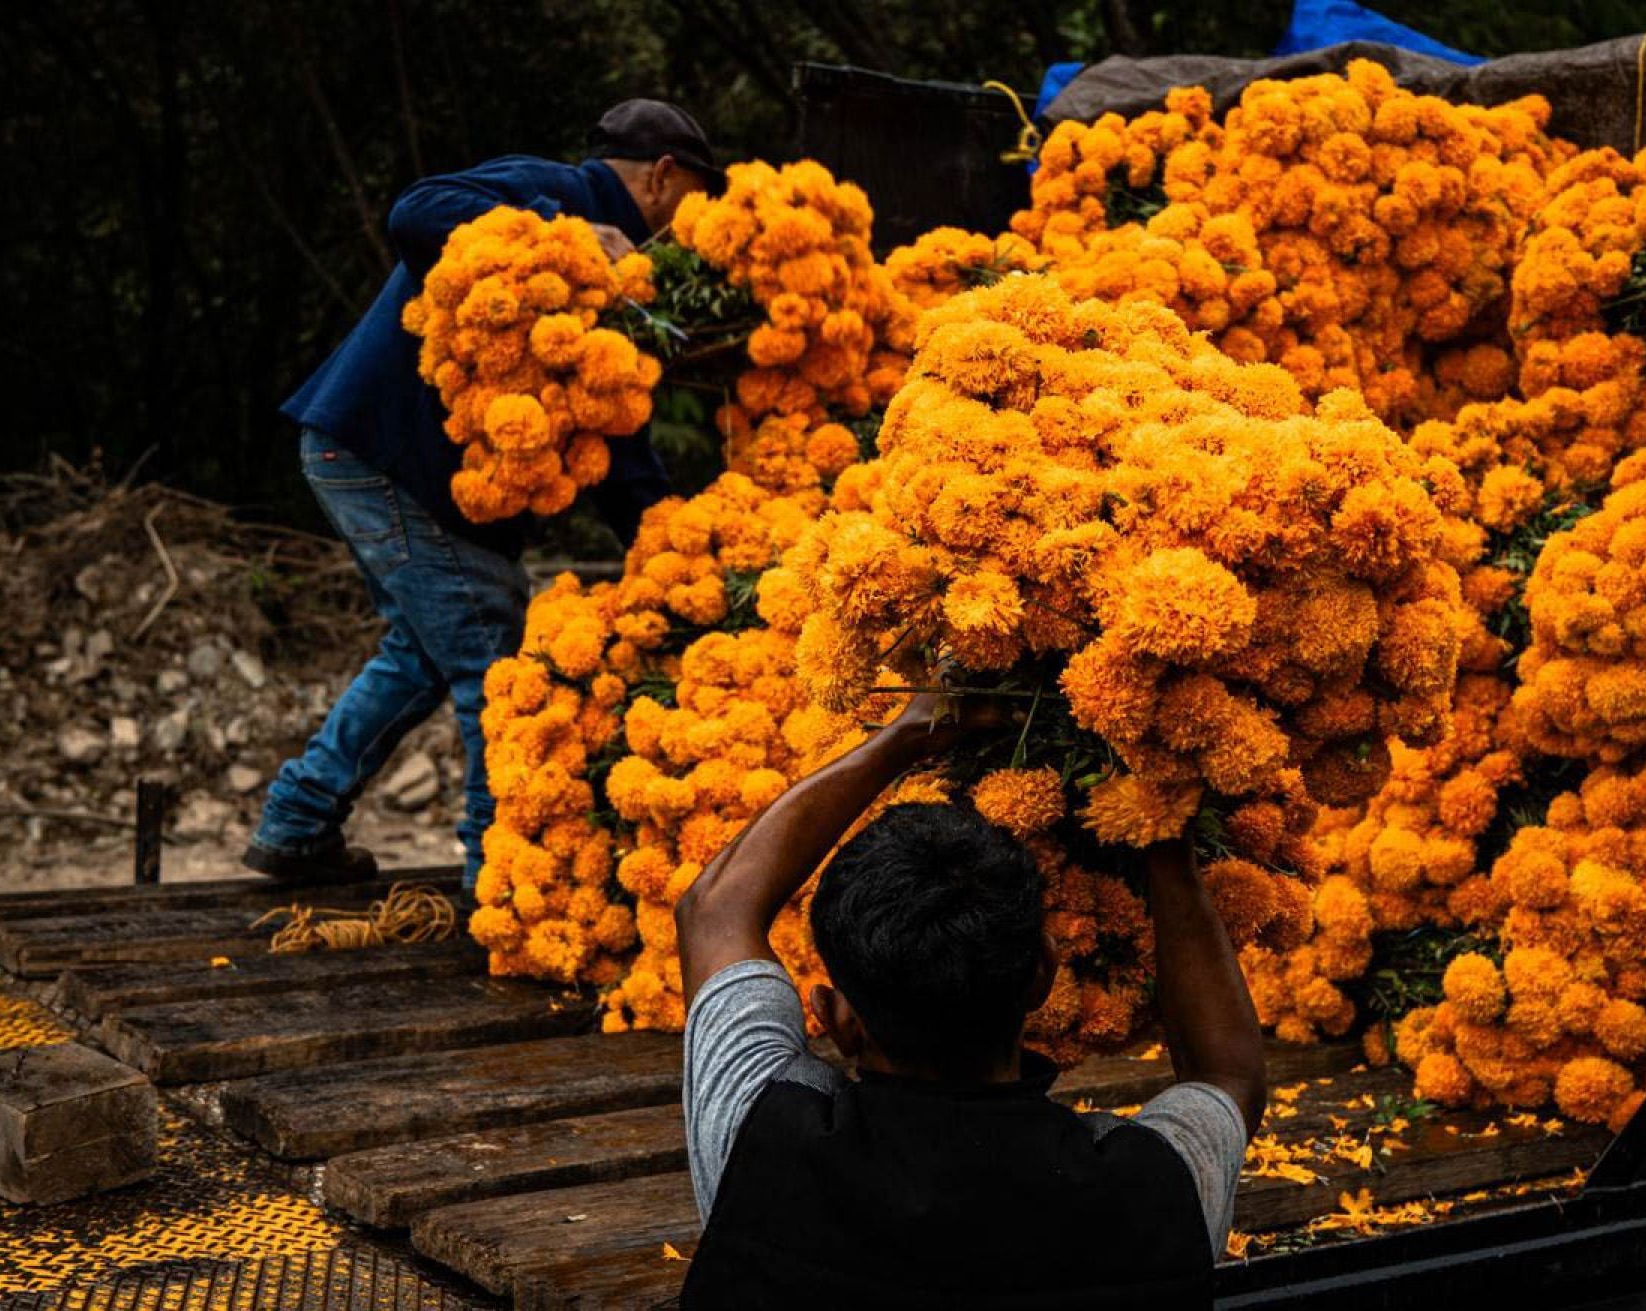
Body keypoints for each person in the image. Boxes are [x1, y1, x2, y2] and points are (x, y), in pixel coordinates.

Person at [244, 101, 719, 889]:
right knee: (489, 647)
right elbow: (416, 210)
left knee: (421, 656)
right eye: (700, 193)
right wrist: (556, 231)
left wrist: (670, 544)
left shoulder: (621, 279)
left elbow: (615, 431)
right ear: (666, 176)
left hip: (370, 455)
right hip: (379, 451)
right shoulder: (556, 190)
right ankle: (494, 878)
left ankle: (296, 823)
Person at [674, 690, 1268, 1307]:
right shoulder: (1154, 1188)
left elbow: (715, 911)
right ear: (1043, 976)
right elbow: (1226, 1076)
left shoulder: (759, 1145)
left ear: (836, 1020)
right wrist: (1159, 834)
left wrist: (907, 734)